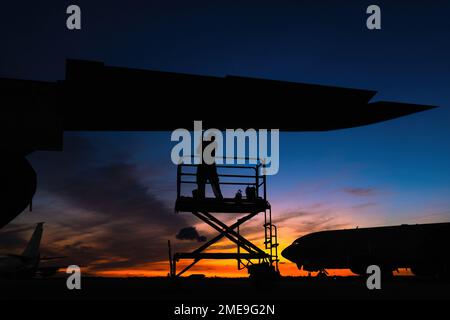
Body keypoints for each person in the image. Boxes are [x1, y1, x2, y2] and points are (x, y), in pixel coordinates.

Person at [196, 134, 223, 199]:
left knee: (202, 183)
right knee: (214, 183)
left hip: (204, 167)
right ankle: (219, 198)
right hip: (209, 166)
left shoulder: (205, 144)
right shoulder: (211, 144)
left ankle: (202, 198)